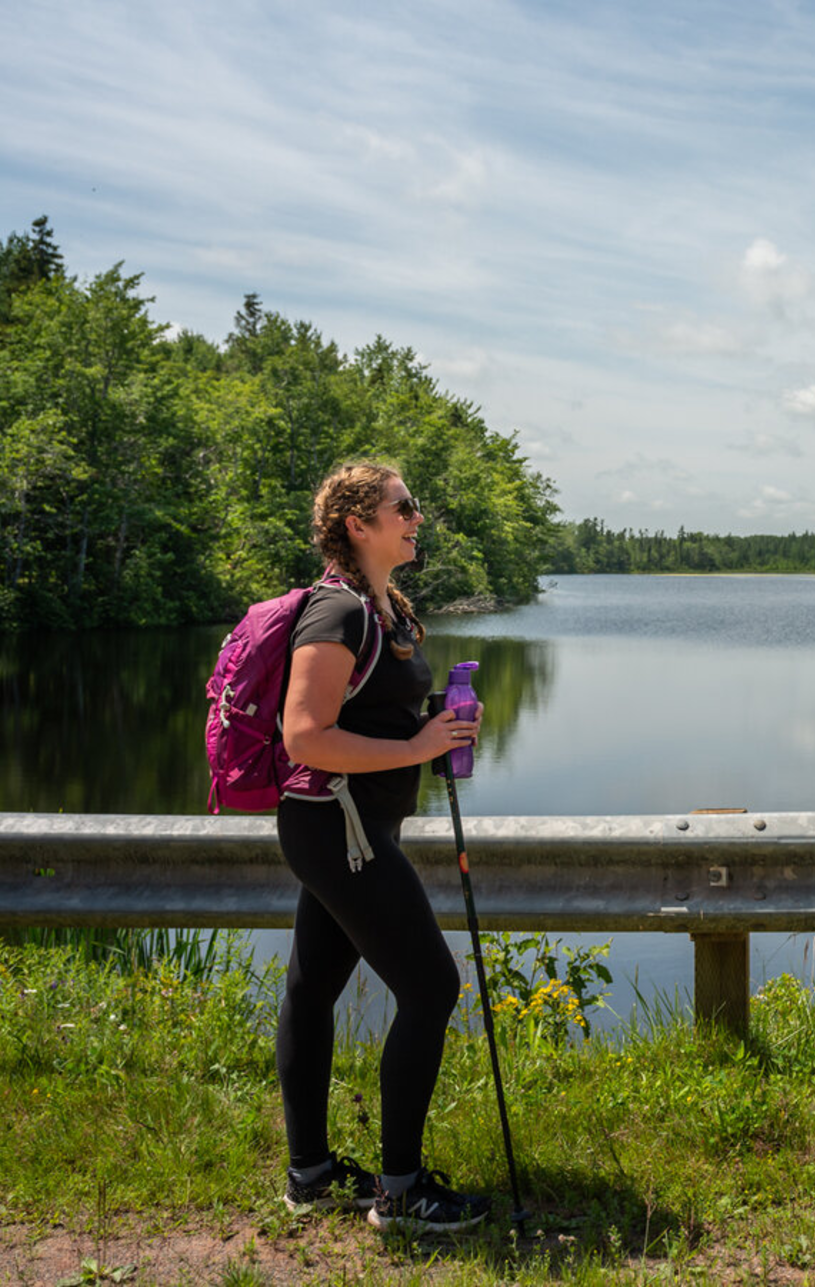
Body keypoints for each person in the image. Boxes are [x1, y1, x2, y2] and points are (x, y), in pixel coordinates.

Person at [274, 461, 492, 1233]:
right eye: (404, 506)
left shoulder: (383, 608)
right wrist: (415, 747)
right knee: (431, 987)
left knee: (312, 990)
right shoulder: (337, 612)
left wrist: (435, 724)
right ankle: (400, 1193)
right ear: (358, 524)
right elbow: (304, 736)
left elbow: (370, 712)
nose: (417, 517)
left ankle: (311, 1177)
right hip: (338, 830)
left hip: (348, 828)